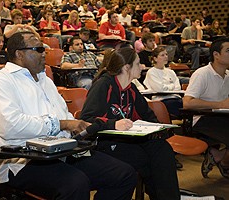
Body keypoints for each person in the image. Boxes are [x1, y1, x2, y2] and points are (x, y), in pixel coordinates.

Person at [0, 31, 137, 200]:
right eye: (38, 49)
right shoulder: (1, 81)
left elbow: (65, 115)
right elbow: (9, 127)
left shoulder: (45, 80)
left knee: (124, 174)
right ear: (19, 54)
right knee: (76, 183)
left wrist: (78, 126)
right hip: (23, 161)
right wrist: (63, 124)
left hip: (64, 151)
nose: (44, 53)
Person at [80, 47, 180, 200]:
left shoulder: (131, 88)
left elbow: (147, 115)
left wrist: (159, 129)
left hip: (129, 139)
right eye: (138, 63)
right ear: (127, 67)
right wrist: (114, 124)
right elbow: (87, 119)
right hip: (105, 141)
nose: (142, 66)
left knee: (162, 149)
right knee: (145, 160)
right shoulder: (104, 85)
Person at [183, 37, 229, 179]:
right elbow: (187, 103)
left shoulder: (228, 75)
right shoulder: (202, 73)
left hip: (223, 118)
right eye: (228, 50)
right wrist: (220, 105)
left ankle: (218, 156)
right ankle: (224, 162)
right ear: (216, 55)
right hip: (203, 119)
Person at [143, 46, 183, 118]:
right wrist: (172, 86)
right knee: (178, 105)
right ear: (155, 58)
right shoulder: (151, 72)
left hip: (176, 98)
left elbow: (178, 88)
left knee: (185, 103)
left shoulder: (170, 71)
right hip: (161, 101)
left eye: (166, 54)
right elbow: (160, 89)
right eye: (162, 55)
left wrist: (167, 87)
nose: (166, 57)